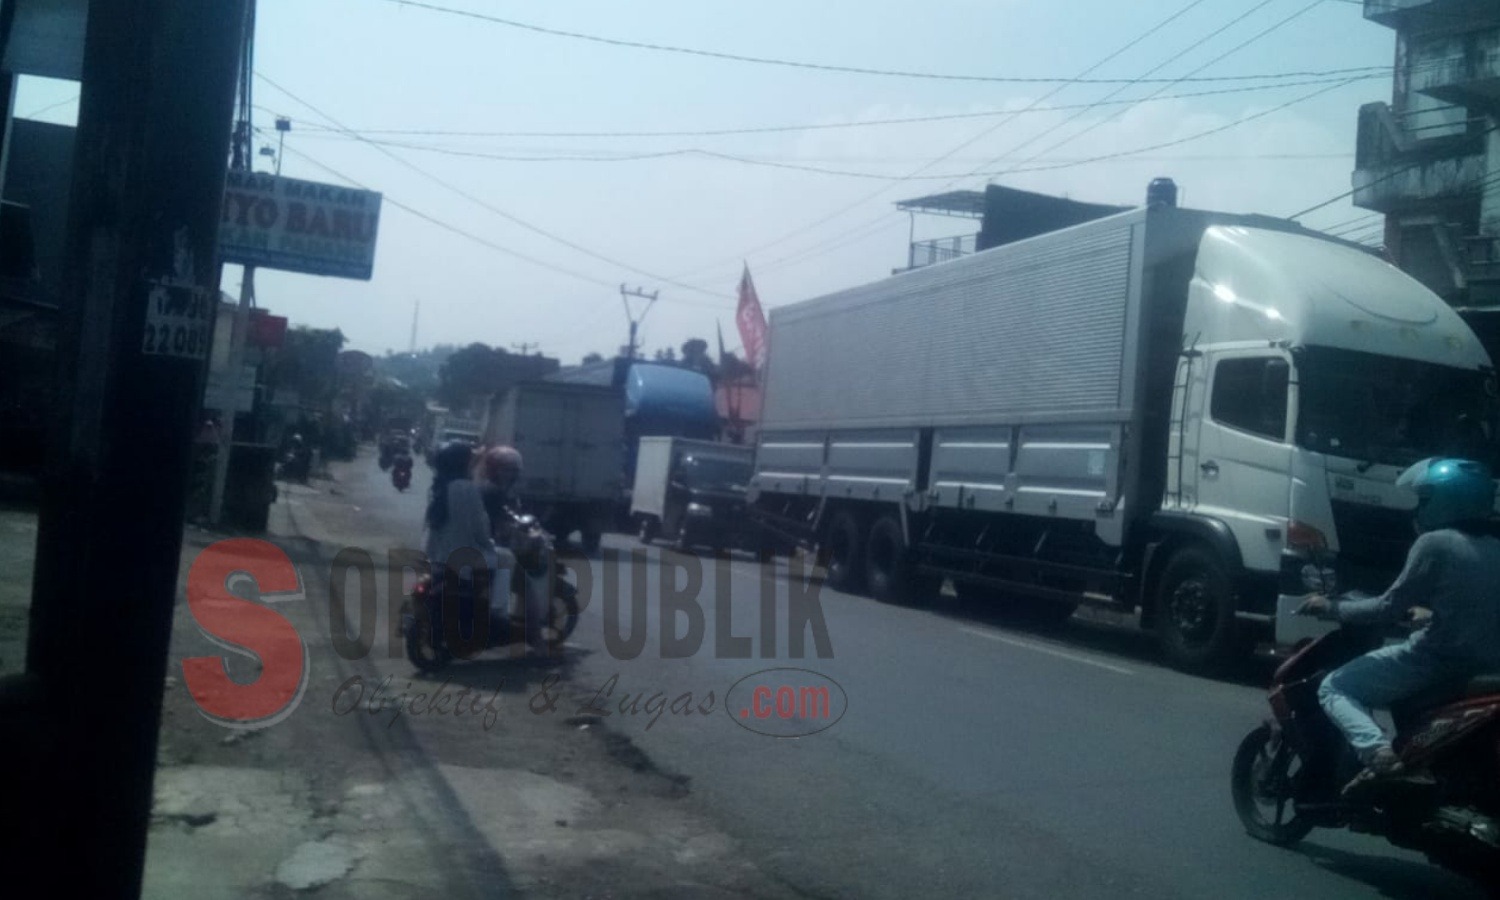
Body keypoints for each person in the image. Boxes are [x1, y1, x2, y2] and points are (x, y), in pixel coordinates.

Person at [1300, 457, 1500, 795]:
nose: (1417, 510)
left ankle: (1379, 755)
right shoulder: (1495, 546)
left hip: (1435, 662)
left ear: (1446, 500)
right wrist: (1431, 613)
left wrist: (1331, 607)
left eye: (1424, 500)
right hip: (1486, 666)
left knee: (1335, 687)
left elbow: (1386, 607)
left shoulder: (1436, 543)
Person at [422, 441, 509, 641]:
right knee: (506, 558)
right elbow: (480, 527)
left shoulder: (438, 487)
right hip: (464, 557)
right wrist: (489, 543)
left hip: (436, 556)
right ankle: (498, 611)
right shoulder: (466, 489)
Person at [474, 445, 551, 655]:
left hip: (475, 549)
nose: (509, 474)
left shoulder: (484, 488)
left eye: (511, 470)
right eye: (505, 469)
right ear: (493, 469)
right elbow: (503, 526)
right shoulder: (495, 492)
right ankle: (537, 643)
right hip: (490, 550)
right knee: (528, 591)